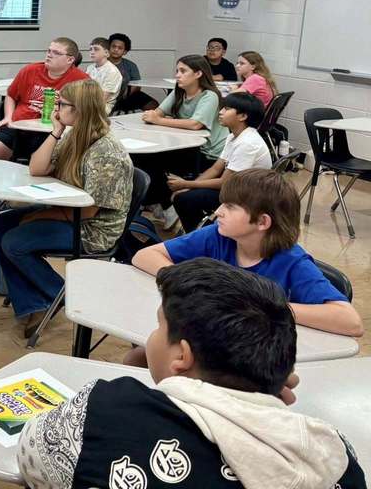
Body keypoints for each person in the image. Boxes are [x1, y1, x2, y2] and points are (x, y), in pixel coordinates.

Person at [17, 257, 367, 489]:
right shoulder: (333, 457)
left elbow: (31, 455)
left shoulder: (104, 410)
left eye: (158, 326)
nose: (152, 335)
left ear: (182, 356)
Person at [134, 169, 364, 339]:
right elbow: (144, 256)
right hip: (212, 336)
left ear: (263, 222)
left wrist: (259, 305)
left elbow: (351, 322)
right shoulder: (218, 235)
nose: (218, 212)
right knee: (139, 357)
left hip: (251, 353)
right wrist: (197, 284)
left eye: (230, 207)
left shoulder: (292, 261)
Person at [0, 80, 132, 336]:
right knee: (0, 224)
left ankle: (61, 295)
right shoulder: (72, 134)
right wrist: (55, 131)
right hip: (68, 212)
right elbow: (38, 168)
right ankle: (36, 301)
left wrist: (39, 215)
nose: (56, 108)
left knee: (14, 242)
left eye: (62, 104)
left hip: (93, 229)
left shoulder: (106, 152)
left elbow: (90, 211)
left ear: (79, 109)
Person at [137, 55, 228, 228]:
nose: (178, 75)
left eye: (183, 71)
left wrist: (158, 120)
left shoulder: (209, 95)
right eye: (177, 71)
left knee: (153, 161)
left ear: (198, 74)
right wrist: (157, 117)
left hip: (208, 152)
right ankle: (159, 203)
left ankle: (164, 204)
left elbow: (195, 124)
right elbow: (158, 112)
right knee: (141, 158)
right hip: (185, 145)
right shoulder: (179, 91)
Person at [170, 93, 271, 232]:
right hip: (237, 188)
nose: (221, 112)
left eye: (227, 109)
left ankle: (201, 236)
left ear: (243, 116)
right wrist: (191, 187)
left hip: (247, 195)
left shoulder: (248, 143)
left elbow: (225, 182)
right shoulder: (233, 136)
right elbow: (216, 168)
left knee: (184, 200)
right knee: (186, 195)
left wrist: (186, 184)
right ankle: (203, 231)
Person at [0, 37, 88, 162]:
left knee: (50, 159)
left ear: (70, 59)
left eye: (56, 53)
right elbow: (11, 95)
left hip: (56, 130)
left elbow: (87, 110)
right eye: (48, 51)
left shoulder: (82, 81)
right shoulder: (30, 70)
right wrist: (8, 116)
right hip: (20, 127)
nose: (49, 55)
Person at [108, 32, 157, 112]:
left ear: (125, 52)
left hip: (126, 96)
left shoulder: (131, 65)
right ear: (108, 48)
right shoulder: (101, 64)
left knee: (153, 104)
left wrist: (126, 93)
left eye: (120, 48)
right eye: (113, 46)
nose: (116, 49)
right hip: (106, 98)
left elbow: (137, 85)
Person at [86, 37, 122, 114]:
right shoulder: (90, 68)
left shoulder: (112, 71)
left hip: (102, 106)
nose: (92, 52)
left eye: (96, 49)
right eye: (90, 49)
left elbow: (102, 98)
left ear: (106, 53)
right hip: (87, 101)